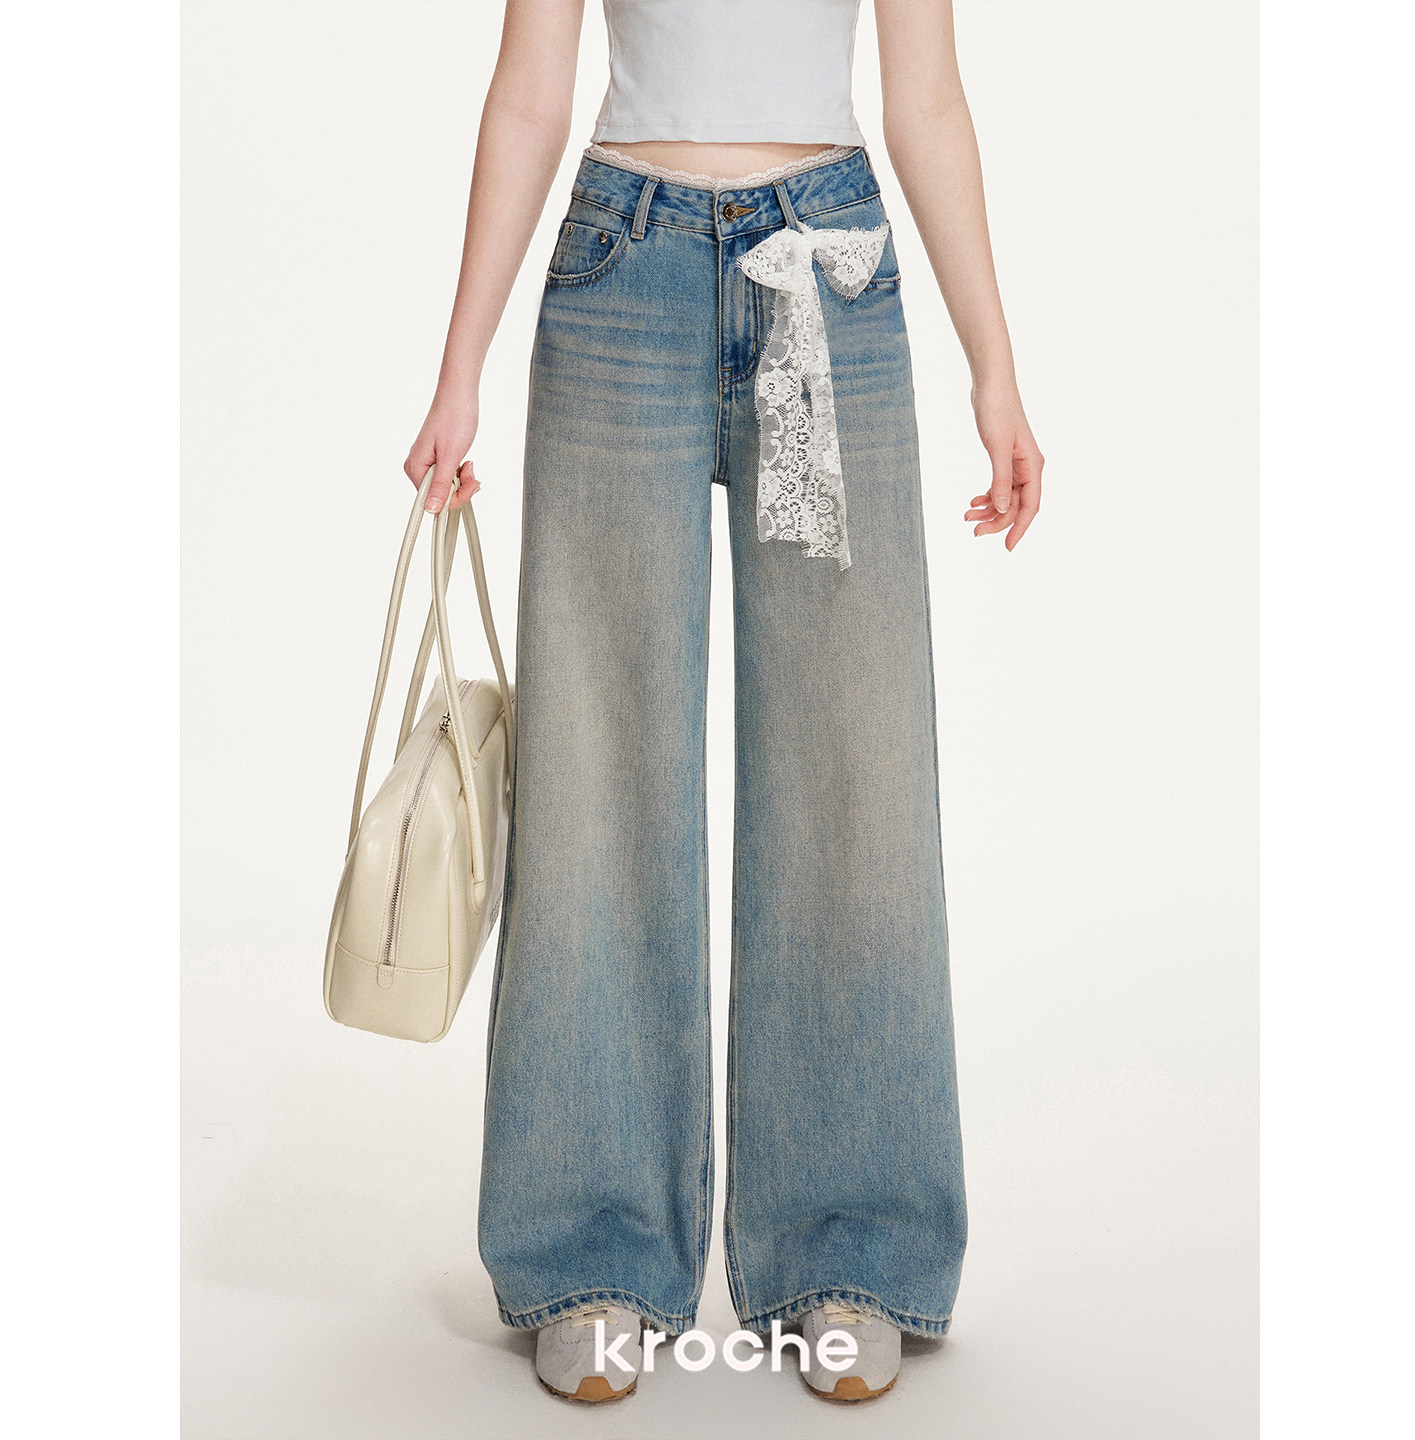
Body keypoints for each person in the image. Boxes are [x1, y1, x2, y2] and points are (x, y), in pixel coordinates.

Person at [404, 0, 1043, 1405]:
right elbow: (530, 91)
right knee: (599, 758)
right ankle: (591, 1249)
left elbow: (928, 100)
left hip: (823, 277)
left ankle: (852, 1244)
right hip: (621, 271)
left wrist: (995, 368)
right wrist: (459, 369)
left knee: (849, 759)